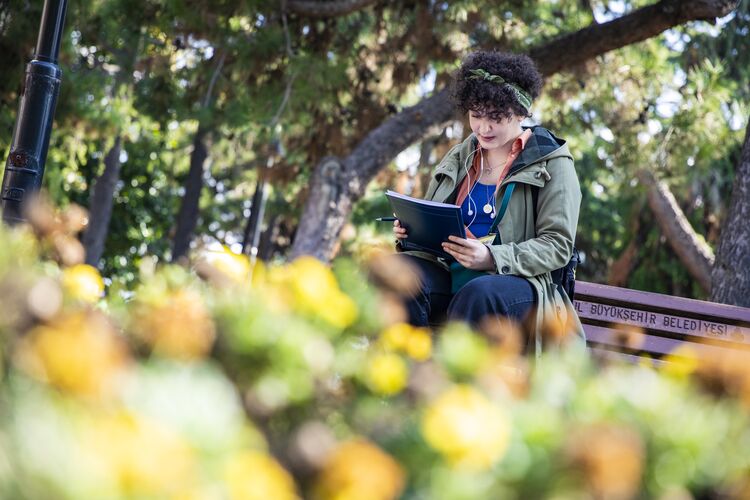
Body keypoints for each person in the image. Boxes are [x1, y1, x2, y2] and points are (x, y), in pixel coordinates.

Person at [394, 50, 584, 354]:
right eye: (476, 116)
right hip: (452, 276)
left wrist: (492, 257)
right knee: (399, 273)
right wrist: (412, 233)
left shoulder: (553, 162)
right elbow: (437, 220)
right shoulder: (459, 156)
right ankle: (402, 376)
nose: (483, 128)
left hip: (522, 288)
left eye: (496, 118)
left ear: (521, 113)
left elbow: (558, 245)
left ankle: (451, 391)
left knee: (479, 292)